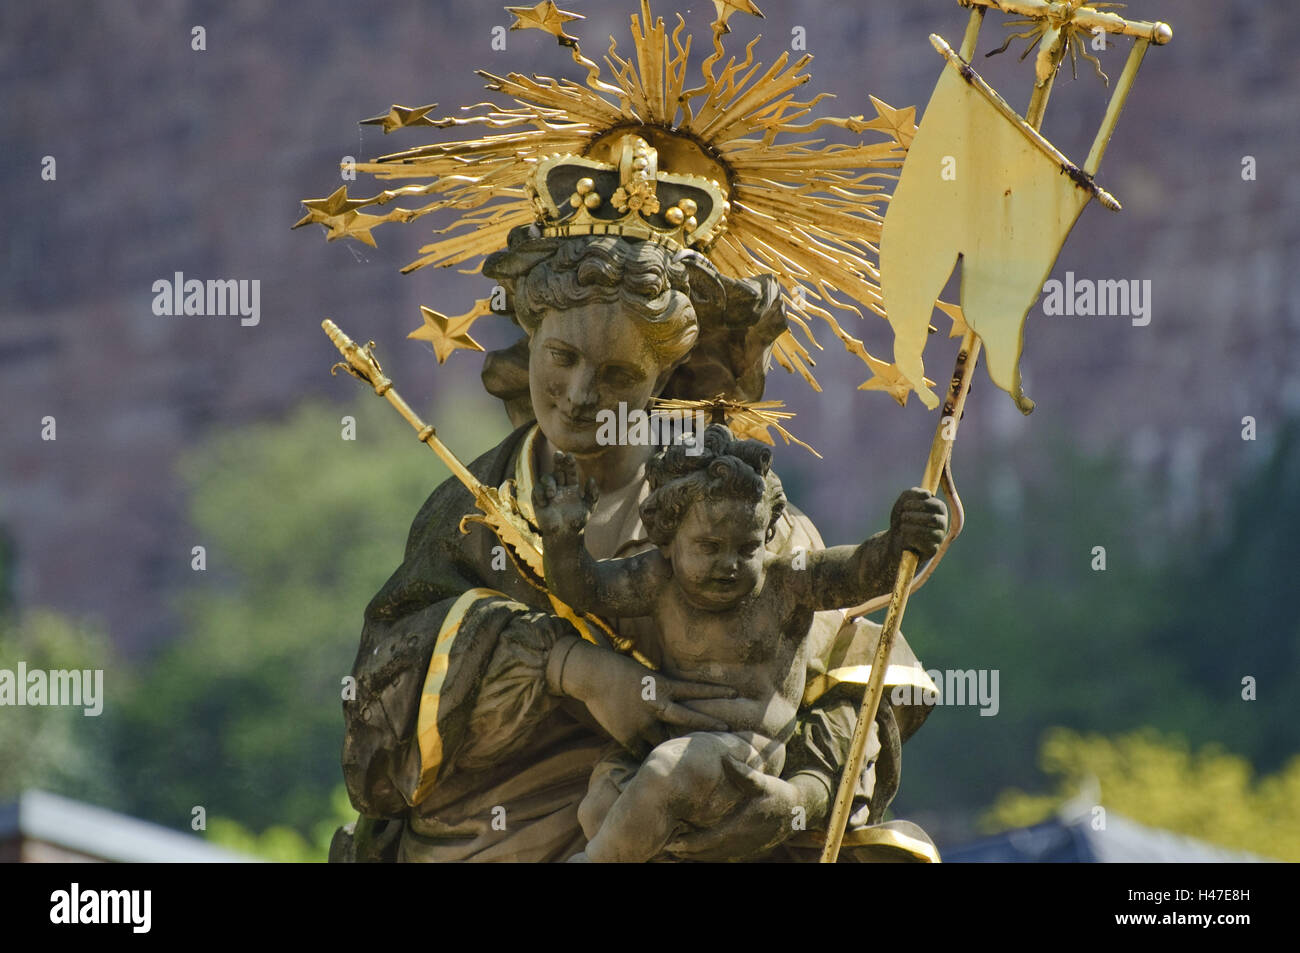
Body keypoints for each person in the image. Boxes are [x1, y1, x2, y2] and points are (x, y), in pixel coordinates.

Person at [332, 226, 941, 863]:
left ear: (664, 373)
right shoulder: (471, 509)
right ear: (531, 338)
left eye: (619, 372)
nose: (579, 395)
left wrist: (804, 797)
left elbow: (859, 682)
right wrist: (572, 671)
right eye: (562, 356)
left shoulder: (729, 506)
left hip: (696, 823)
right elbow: (384, 691)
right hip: (492, 834)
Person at [536, 426, 946, 862]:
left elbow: (857, 573)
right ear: (669, 539)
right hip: (670, 739)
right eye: (709, 546)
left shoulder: (786, 582)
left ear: (766, 537)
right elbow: (585, 590)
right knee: (602, 797)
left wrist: (901, 540)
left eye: (746, 547)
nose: (729, 564)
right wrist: (563, 541)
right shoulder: (658, 578)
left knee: (666, 772)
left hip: (747, 754)